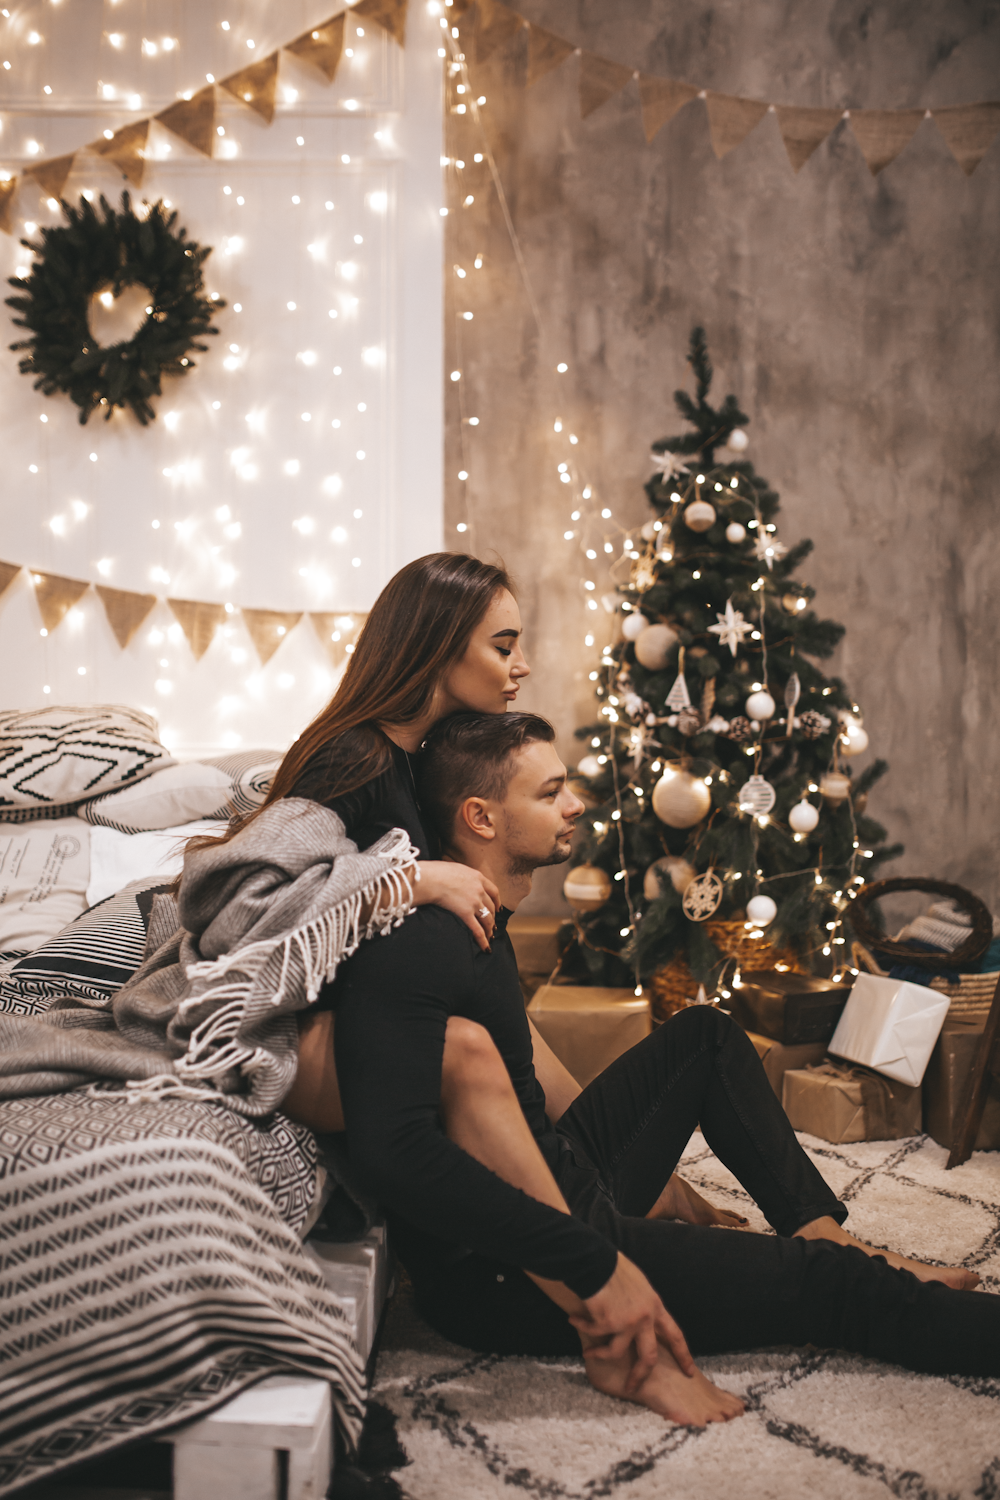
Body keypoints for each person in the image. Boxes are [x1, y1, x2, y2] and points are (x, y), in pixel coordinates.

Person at [329, 710, 999, 1426]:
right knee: (826, 1288)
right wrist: (599, 1262)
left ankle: (818, 1225)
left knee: (705, 1034)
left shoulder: (477, 911)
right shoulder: (429, 942)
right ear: (481, 818)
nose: (575, 804)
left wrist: (640, 1157)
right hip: (519, 1266)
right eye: (550, 791)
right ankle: (857, 1271)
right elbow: (413, 1150)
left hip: (562, 1176)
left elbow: (528, 1073)